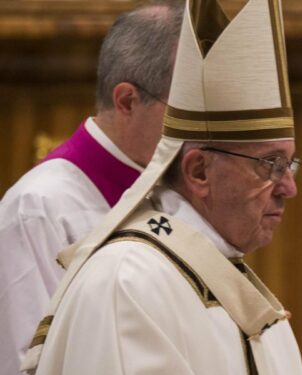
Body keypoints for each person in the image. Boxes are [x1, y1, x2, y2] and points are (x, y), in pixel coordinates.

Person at [20, 0, 302, 374]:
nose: (289, 187)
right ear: (199, 171)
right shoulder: (131, 282)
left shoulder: (209, 268)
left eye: (288, 162)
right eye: (270, 164)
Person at [0, 3, 182, 374]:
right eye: (183, 107)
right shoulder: (39, 209)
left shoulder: (176, 193)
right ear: (128, 100)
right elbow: (29, 363)